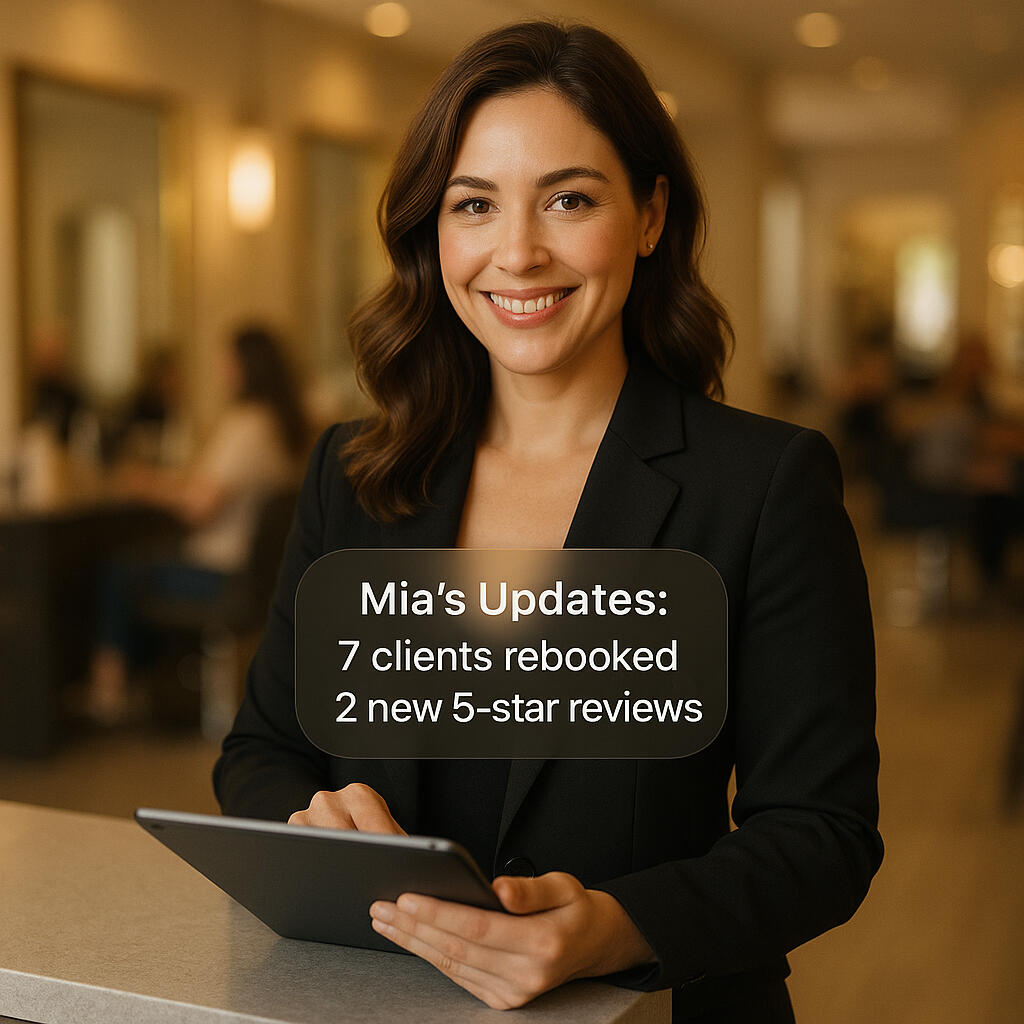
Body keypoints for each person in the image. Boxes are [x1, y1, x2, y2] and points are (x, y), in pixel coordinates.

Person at [213, 22, 882, 1022]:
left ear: (650, 215)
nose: (518, 253)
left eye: (569, 199)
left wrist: (616, 927)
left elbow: (823, 833)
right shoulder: (355, 475)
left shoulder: (762, 484)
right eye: (474, 204)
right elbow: (261, 751)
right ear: (433, 233)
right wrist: (313, 818)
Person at [88, 325, 308, 722]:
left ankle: (110, 691)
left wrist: (143, 485)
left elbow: (199, 506)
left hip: (223, 574)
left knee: (121, 571)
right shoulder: (280, 426)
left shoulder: (246, 426)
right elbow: (207, 486)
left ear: (245, 366)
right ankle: (144, 687)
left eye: (227, 360)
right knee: (144, 559)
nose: (220, 368)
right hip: (257, 575)